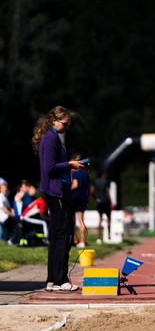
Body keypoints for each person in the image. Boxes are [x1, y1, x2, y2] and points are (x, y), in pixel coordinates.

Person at [32, 106, 86, 292]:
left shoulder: (53, 137)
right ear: (55, 120)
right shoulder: (51, 138)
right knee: (63, 235)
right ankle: (60, 279)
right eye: (65, 124)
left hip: (58, 190)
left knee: (57, 236)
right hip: (56, 192)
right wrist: (70, 164)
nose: (66, 127)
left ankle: (52, 280)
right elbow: (50, 167)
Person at [70, 153, 90, 248]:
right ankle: (82, 241)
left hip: (75, 197)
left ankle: (74, 240)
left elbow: (75, 184)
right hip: (84, 197)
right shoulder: (86, 173)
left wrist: (66, 190)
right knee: (81, 220)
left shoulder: (75, 172)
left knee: (73, 220)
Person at [94, 171, 112, 243]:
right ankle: (109, 236)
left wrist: (96, 198)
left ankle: (99, 237)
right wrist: (110, 201)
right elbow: (107, 192)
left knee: (100, 219)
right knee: (109, 219)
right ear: (105, 175)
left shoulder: (96, 181)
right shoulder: (107, 181)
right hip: (106, 202)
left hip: (99, 202)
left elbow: (92, 191)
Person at [0, 178, 16, 243]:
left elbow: (9, 208)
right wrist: (13, 215)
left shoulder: (4, 197)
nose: (6, 187)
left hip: (5, 218)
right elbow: (4, 209)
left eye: (6, 186)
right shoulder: (1, 196)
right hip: (3, 218)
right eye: (4, 186)